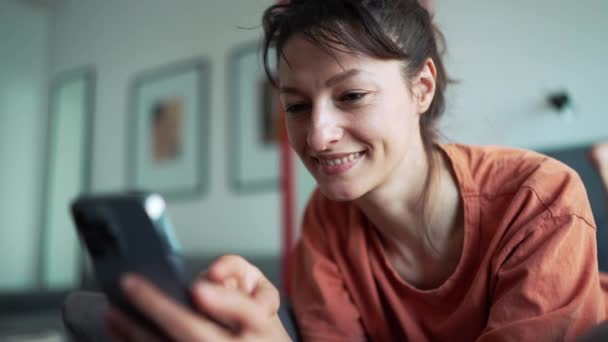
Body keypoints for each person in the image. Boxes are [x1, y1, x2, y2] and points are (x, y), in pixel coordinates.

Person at [106, 0, 608, 340]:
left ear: (422, 88)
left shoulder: (540, 198)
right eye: (297, 106)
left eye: (352, 96)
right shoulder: (326, 223)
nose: (318, 136)